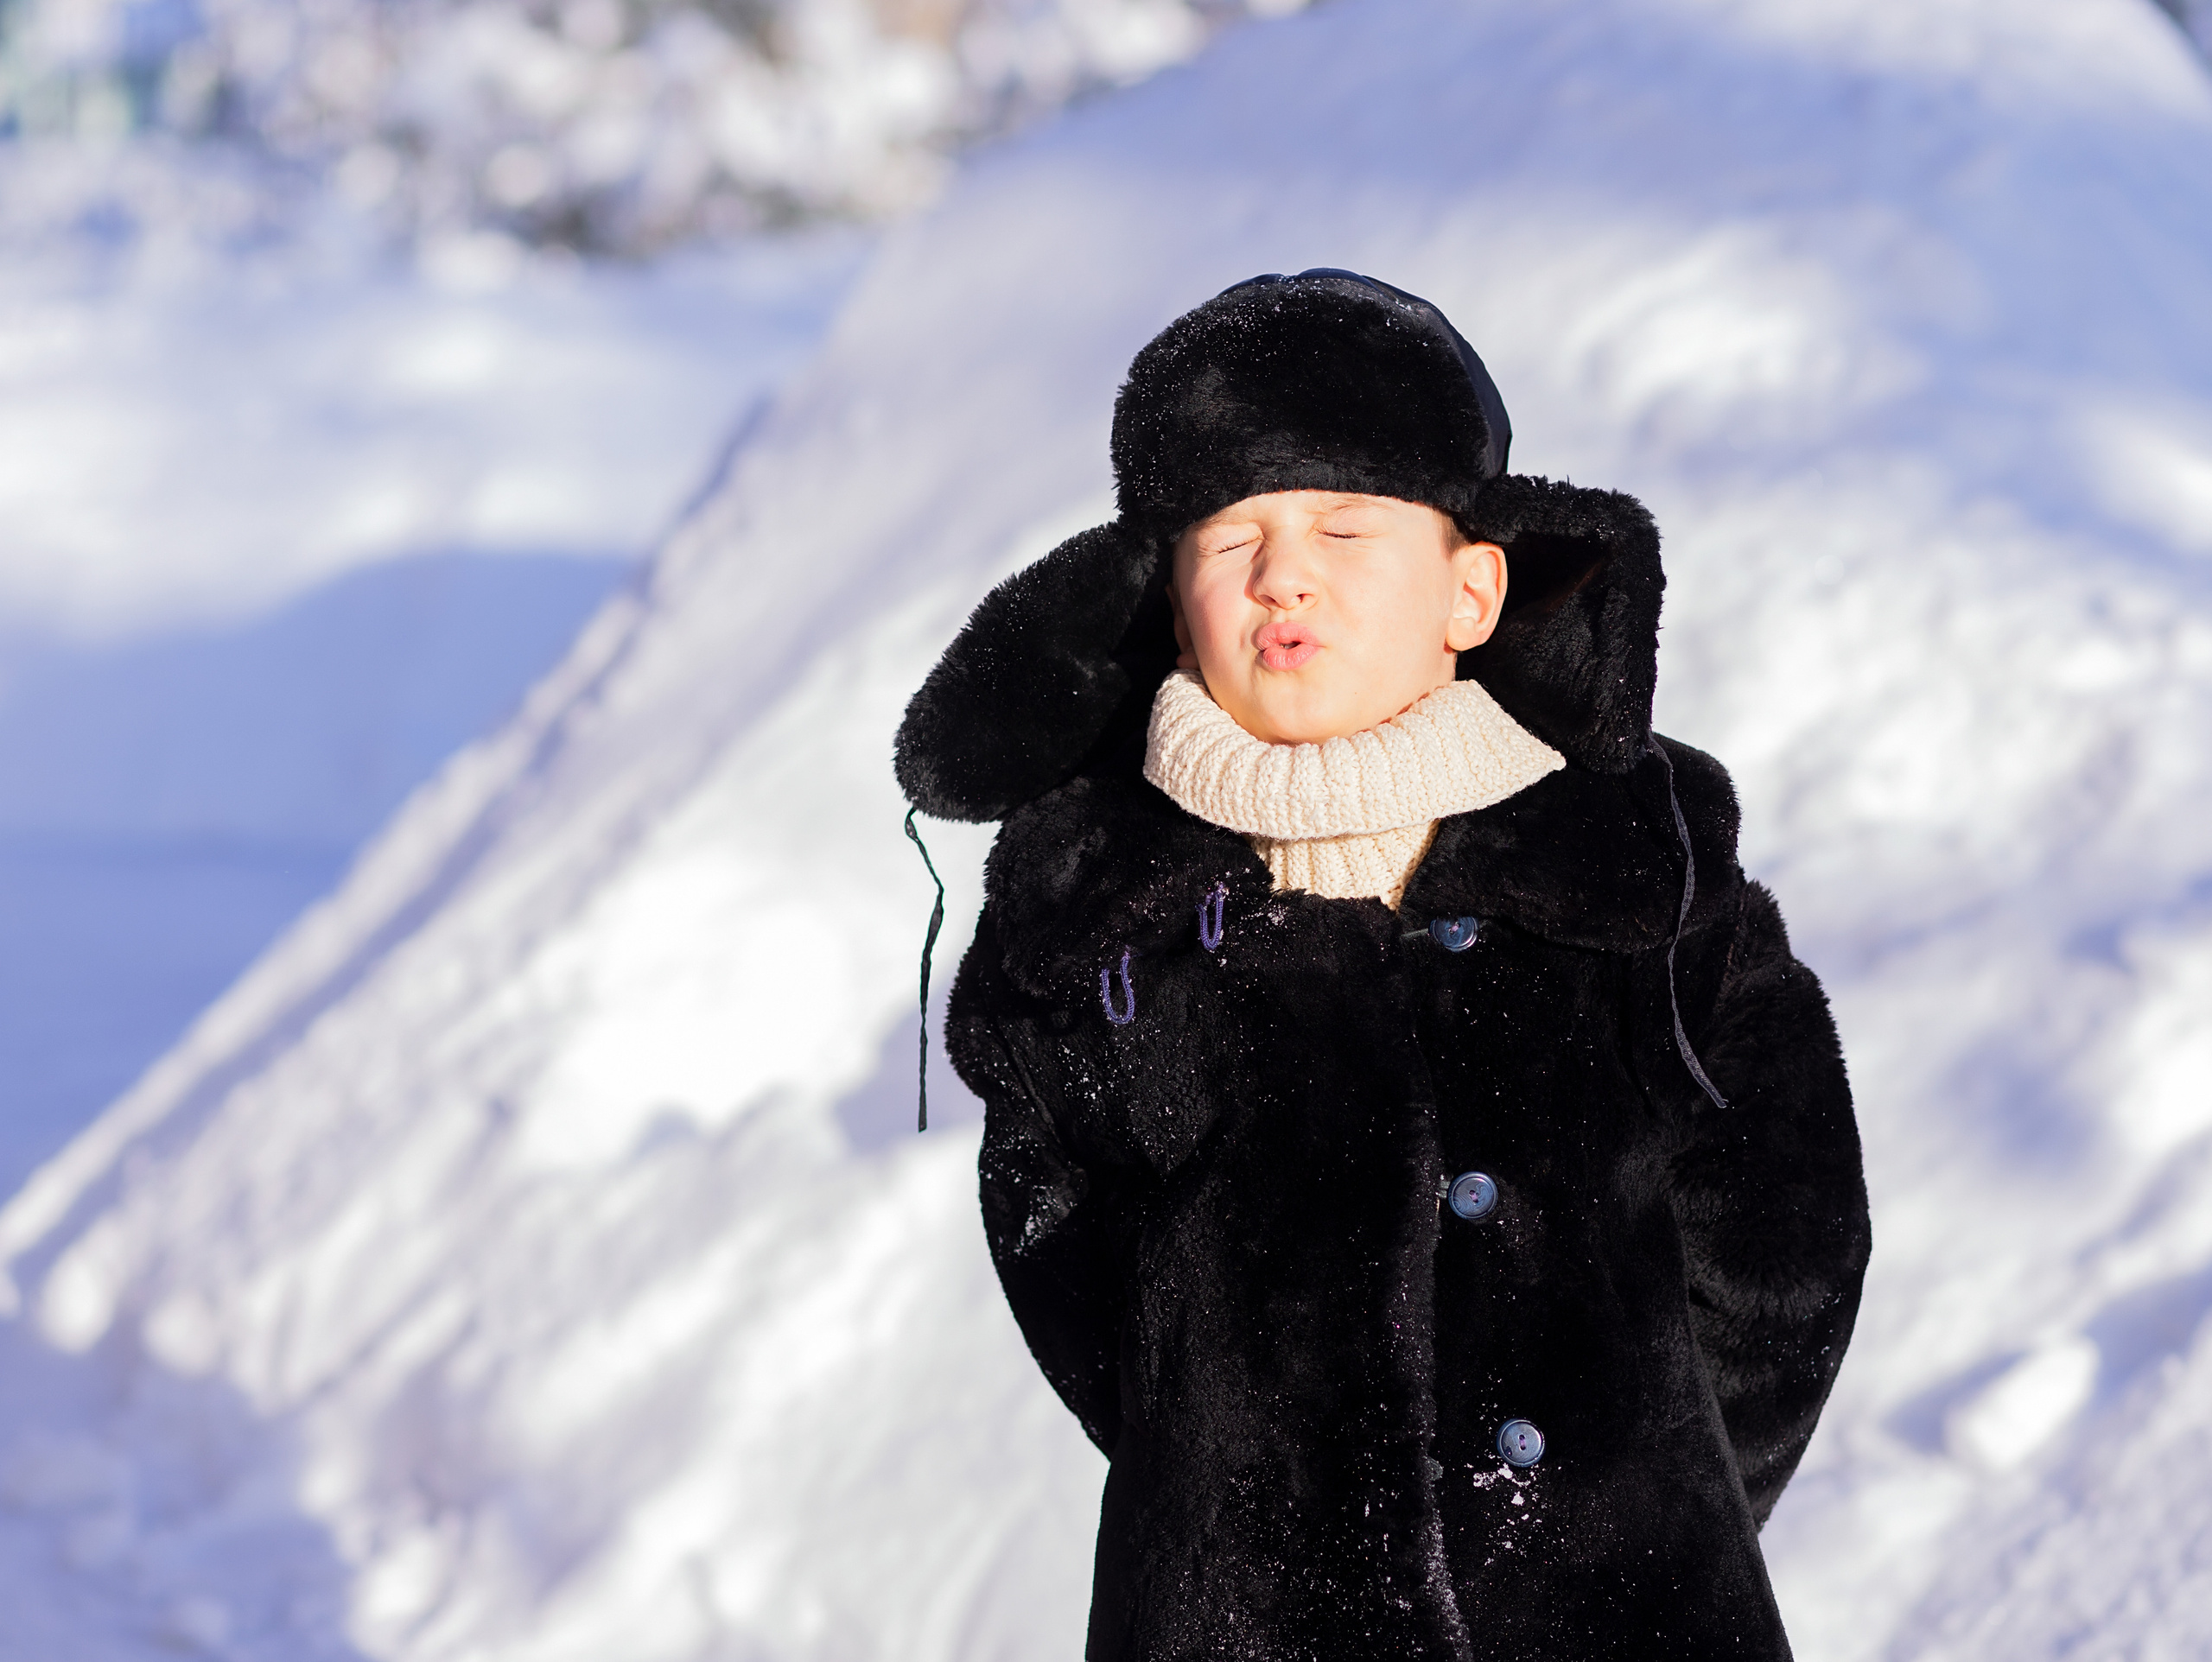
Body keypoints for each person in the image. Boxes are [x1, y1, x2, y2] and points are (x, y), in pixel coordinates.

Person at [894, 270, 1870, 1661]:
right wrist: (1235, 1478)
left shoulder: (1638, 893)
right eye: (1232, 538)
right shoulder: (1104, 933)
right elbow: (1069, 1262)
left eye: (1345, 526)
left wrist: (1653, 1509)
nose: (1282, 573)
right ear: (1177, 606)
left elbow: (1786, 1243)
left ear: (1471, 590)